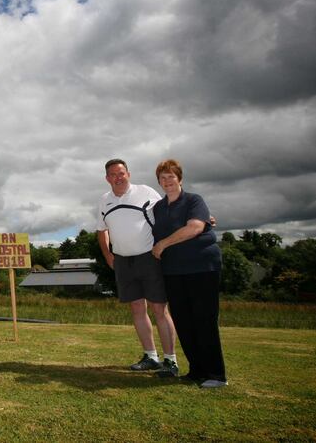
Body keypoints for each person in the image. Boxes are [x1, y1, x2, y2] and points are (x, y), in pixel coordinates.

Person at [97, 159, 178, 377]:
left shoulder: (146, 192)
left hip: (149, 257)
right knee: (137, 309)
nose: (118, 177)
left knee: (159, 309)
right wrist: (108, 255)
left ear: (128, 174)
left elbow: (171, 208)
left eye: (121, 173)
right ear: (107, 178)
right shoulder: (104, 201)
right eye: (113, 174)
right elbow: (101, 229)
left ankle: (170, 360)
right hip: (123, 261)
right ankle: (150, 356)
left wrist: (200, 217)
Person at [151, 159, 227, 388]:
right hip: (174, 270)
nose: (167, 182)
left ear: (180, 179)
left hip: (202, 267)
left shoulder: (194, 200)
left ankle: (215, 374)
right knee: (184, 321)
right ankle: (196, 371)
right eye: (162, 178)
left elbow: (194, 227)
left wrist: (163, 244)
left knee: (204, 319)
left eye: (171, 177)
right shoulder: (159, 207)